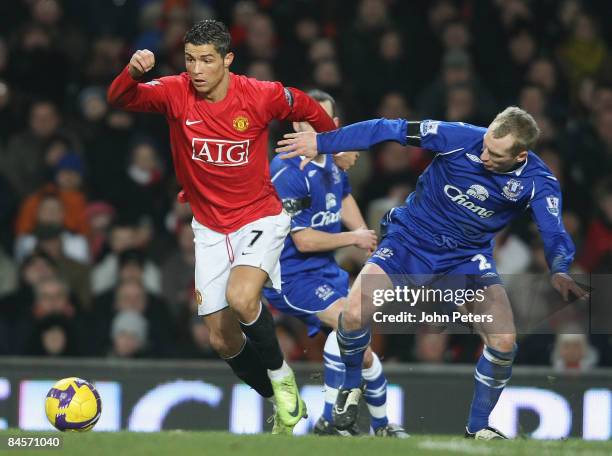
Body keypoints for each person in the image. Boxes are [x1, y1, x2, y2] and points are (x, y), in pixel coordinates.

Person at [276, 107, 588, 439]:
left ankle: (477, 427)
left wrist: (560, 267)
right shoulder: (457, 137)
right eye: (485, 145)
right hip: (409, 242)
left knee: (504, 341)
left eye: (495, 154)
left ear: (520, 155)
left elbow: (553, 233)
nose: (483, 155)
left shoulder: (538, 182)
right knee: (352, 315)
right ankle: (349, 391)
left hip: (464, 259)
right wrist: (321, 143)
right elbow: (386, 128)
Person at [107, 19, 337, 434]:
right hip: (209, 228)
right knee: (222, 339)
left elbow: (302, 104)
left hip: (259, 217)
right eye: (191, 59)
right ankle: (280, 401)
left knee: (243, 298)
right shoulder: (176, 91)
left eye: (207, 60)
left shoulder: (259, 95)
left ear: (227, 60)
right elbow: (120, 98)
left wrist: (328, 142)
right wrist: (133, 72)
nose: (196, 69)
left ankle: (283, 378)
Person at [264, 89, 407, 438]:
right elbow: (302, 240)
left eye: (323, 122)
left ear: (335, 125)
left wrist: (361, 229)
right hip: (292, 275)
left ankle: (382, 426)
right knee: (348, 325)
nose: (316, 128)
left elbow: (342, 196)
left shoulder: (331, 159)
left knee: (363, 352)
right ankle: (330, 421)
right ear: (295, 126)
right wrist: (352, 239)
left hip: (326, 271)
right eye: (308, 122)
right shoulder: (286, 171)